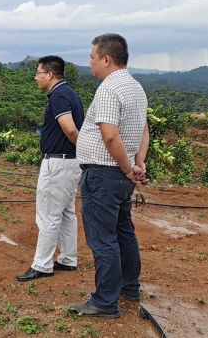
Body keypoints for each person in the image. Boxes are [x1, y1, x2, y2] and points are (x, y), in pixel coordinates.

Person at [71, 34, 149, 319]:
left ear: (106, 58)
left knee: (103, 240)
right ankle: (129, 287)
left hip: (103, 174)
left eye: (92, 56)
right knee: (123, 232)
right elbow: (143, 130)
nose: (90, 62)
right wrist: (137, 162)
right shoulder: (136, 87)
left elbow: (109, 134)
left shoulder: (108, 89)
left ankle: (105, 301)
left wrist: (129, 166)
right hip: (120, 176)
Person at [17, 56, 84, 281]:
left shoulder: (59, 95)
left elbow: (70, 130)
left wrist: (81, 150)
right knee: (66, 213)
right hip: (69, 163)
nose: (36, 77)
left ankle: (42, 264)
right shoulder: (69, 93)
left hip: (58, 163)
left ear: (50, 75)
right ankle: (68, 258)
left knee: (48, 215)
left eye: (38, 73)